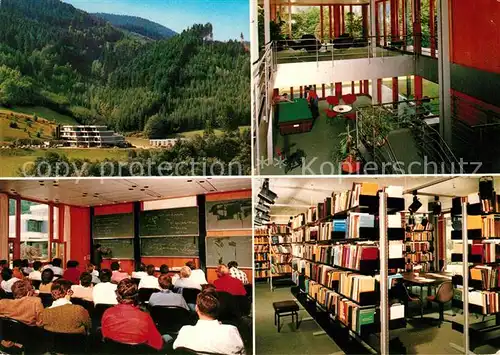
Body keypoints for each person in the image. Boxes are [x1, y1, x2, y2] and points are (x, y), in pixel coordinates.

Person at [173, 291, 245, 354]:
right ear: (217, 308)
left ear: (196, 308)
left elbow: (176, 350)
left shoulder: (185, 331)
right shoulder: (230, 331)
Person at [101, 279, 164, 350]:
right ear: (136, 296)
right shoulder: (145, 317)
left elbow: (105, 337)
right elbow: (157, 344)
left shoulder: (108, 313)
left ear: (117, 294)